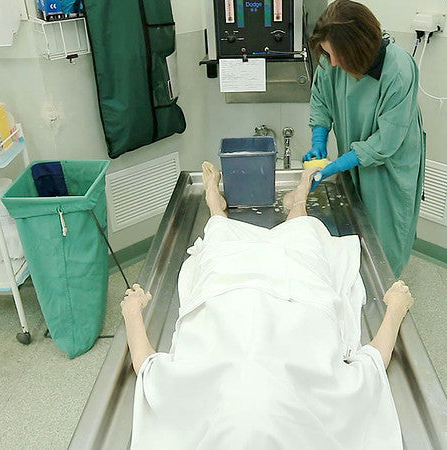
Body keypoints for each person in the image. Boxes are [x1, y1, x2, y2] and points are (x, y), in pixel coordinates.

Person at [120, 162, 414, 448]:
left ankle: (216, 208)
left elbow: (148, 368)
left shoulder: (195, 426)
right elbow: (371, 367)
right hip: (301, 293)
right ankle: (298, 200)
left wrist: (132, 313)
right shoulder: (318, 426)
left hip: (226, 291)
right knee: (302, 237)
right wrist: (395, 311)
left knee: (221, 244)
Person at [304, 0, 426, 277]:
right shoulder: (332, 59)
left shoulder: (398, 69)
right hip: (355, 151)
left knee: (386, 231)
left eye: (336, 56)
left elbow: (387, 140)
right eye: (327, 54)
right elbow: (321, 100)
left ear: (358, 50)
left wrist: (338, 164)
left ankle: (387, 289)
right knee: (356, 217)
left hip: (391, 161)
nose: (332, 63)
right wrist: (319, 139)